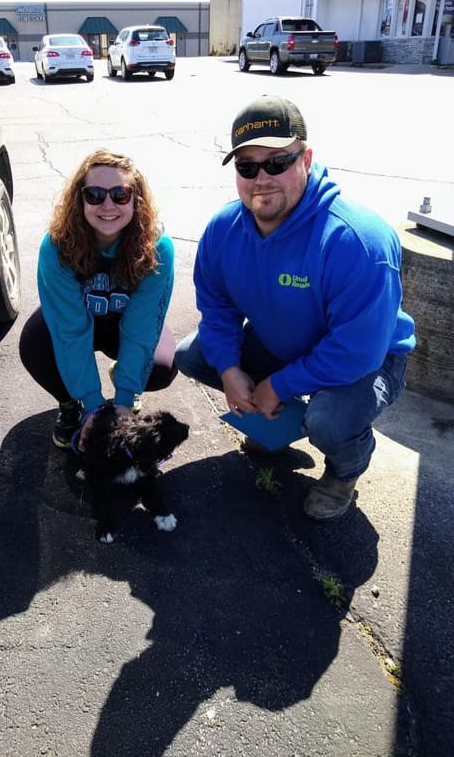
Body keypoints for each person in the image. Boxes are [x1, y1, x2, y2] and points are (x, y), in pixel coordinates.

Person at [175, 95, 415, 521]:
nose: (261, 178)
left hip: (371, 360)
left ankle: (345, 469)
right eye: (247, 167)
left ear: (306, 157)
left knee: (329, 419)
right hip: (285, 342)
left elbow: (356, 352)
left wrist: (277, 386)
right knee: (193, 355)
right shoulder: (222, 230)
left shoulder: (357, 240)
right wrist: (231, 371)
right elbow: (218, 310)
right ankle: (275, 430)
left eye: (277, 162)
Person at [19, 148, 178, 449]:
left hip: (125, 324)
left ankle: (124, 380)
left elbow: (142, 327)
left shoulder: (158, 247)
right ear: (80, 199)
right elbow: (70, 331)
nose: (108, 205)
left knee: (162, 365)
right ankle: (70, 405)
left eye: (120, 194)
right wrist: (93, 403)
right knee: (35, 345)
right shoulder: (56, 247)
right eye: (95, 194)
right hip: (78, 318)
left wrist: (124, 399)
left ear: (136, 199)